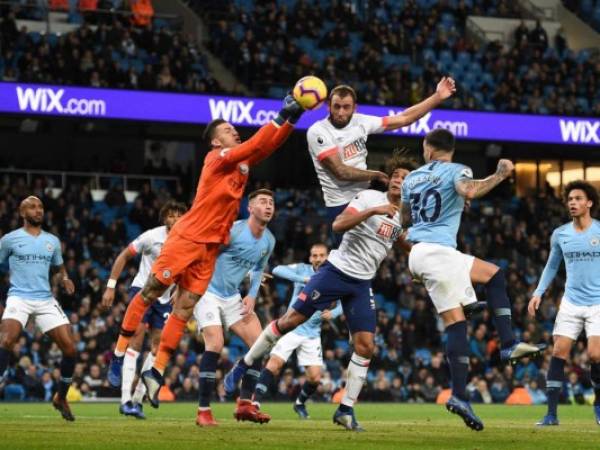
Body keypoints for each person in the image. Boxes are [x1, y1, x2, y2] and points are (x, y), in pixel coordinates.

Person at [106, 93, 305, 408]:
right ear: (216, 142)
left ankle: (156, 371)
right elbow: (254, 145)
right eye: (227, 129)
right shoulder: (216, 159)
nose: (233, 131)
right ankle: (118, 355)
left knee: (183, 310)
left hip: (210, 247)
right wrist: (281, 114)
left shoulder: (240, 164)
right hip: (188, 237)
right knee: (150, 292)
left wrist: (293, 119)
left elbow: (267, 146)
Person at [226, 150, 416, 430]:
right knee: (291, 320)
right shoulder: (369, 199)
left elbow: (402, 241)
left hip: (362, 283)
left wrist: (424, 262)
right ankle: (244, 363)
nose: (399, 180)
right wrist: (373, 211)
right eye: (396, 175)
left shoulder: (403, 216)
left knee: (366, 347)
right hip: (336, 272)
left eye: (405, 178)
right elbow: (338, 224)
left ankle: (345, 410)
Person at [401, 129, 546, 431]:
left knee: (473, 301)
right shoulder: (458, 170)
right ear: (451, 150)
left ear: (427, 148)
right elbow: (469, 190)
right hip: (439, 253)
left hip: (417, 252)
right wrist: (500, 174)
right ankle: (506, 344)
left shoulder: (411, 178)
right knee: (491, 281)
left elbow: (405, 219)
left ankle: (459, 395)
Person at [307, 78, 456, 246]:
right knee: (347, 259)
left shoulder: (361, 121)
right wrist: (375, 175)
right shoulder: (318, 132)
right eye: (336, 106)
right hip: (342, 205)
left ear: (354, 108)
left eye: (346, 107)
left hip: (369, 196)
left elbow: (404, 118)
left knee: (385, 248)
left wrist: (438, 96)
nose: (341, 112)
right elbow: (341, 172)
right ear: (329, 106)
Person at [193, 189, 275, 426]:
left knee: (260, 343)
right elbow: (205, 254)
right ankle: (204, 411)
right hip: (207, 292)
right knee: (216, 343)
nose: (268, 206)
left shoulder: (269, 239)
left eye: (271, 202)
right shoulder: (234, 231)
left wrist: (251, 295)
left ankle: (245, 405)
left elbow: (259, 268)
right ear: (250, 208)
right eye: (262, 202)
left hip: (232, 297)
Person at [102, 200, 187, 418]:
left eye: (179, 214)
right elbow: (124, 255)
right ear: (164, 218)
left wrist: (180, 289)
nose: (175, 219)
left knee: (157, 347)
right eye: (171, 215)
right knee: (136, 340)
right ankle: (125, 400)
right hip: (143, 291)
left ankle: (138, 400)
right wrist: (111, 286)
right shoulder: (152, 236)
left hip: (165, 298)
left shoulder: (187, 241)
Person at [239, 243, 343, 419]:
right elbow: (278, 269)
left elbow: (344, 303)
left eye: (321, 255)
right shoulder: (302, 269)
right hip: (291, 329)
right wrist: (303, 280)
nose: (318, 259)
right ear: (310, 258)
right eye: (314, 255)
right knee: (274, 365)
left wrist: (333, 313)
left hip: (312, 334)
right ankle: (255, 404)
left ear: (328, 257)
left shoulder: (333, 277)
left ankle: (299, 404)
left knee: (315, 379)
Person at [528, 180, 600, 426]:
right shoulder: (560, 234)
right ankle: (551, 415)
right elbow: (551, 265)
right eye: (570, 199)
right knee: (558, 351)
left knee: (595, 354)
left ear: (589, 203)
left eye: (578, 198)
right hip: (571, 301)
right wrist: (538, 292)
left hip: (598, 303)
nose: (573, 202)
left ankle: (599, 405)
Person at [0, 196, 77, 421]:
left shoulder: (52, 240)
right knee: (6, 340)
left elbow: (59, 265)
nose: (38, 210)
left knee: (70, 350)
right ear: (22, 213)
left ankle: (60, 397)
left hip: (45, 299)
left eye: (41, 207)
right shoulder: (10, 239)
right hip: (18, 297)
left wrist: (64, 278)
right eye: (32, 207)